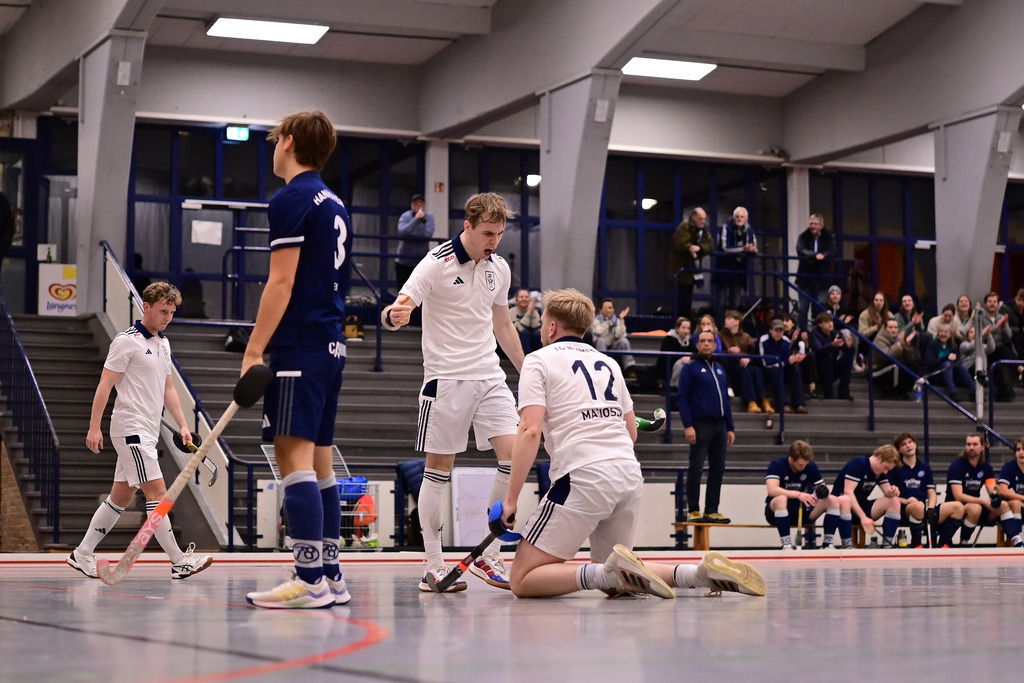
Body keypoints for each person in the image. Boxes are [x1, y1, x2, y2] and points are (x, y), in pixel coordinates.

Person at [502, 289, 765, 599]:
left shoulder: (538, 360)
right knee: (617, 585)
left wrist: (511, 500)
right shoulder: (609, 363)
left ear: (550, 327)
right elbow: (632, 433)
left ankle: (610, 572)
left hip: (582, 475)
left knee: (522, 578)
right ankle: (697, 574)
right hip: (627, 475)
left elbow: (530, 431)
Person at [381, 191, 524, 592]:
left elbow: (503, 325)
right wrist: (397, 315)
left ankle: (490, 556)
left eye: (499, 234)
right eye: (487, 233)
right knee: (439, 468)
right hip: (446, 378)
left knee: (515, 457)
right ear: (467, 226)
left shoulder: (499, 268)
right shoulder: (436, 263)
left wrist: (528, 371)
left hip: (489, 376)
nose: (493, 241)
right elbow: (396, 308)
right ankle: (433, 563)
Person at [242, 111, 354, 609]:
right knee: (322, 463)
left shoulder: (290, 197)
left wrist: (253, 348)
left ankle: (307, 580)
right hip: (332, 344)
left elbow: (281, 282)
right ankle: (330, 575)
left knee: (293, 462)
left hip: (301, 346)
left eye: (274, 141)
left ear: (287, 142)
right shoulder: (334, 201)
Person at [68, 282, 212, 580]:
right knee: (158, 493)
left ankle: (81, 554)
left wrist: (184, 424)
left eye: (172, 312)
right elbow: (105, 385)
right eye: (162, 311)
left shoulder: (163, 343)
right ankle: (178, 561)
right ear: (145, 306)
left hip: (148, 428)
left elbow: (168, 388)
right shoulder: (126, 341)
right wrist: (94, 427)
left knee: (121, 496)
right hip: (130, 427)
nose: (167, 317)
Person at [678, 329, 735, 523]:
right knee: (696, 467)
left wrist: (730, 426)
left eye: (710, 341)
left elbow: (725, 400)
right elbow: (682, 398)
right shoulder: (690, 368)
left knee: (718, 468)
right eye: (703, 341)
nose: (707, 344)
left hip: (719, 425)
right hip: (700, 423)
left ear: (715, 343)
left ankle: (712, 510)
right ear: (697, 344)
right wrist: (688, 425)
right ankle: (693, 510)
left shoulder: (719, 367)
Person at [891, 432, 964, 548]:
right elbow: (890, 496)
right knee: (917, 506)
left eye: (910, 442)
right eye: (904, 444)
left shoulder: (925, 467)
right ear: (899, 450)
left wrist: (931, 508)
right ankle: (916, 544)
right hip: (905, 509)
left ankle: (943, 544)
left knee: (958, 507)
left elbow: (931, 492)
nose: (908, 446)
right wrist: (906, 501)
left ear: (915, 445)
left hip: (925, 508)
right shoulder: (894, 469)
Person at [946, 434, 1019, 546]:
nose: (971, 447)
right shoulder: (957, 465)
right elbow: (958, 496)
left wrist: (996, 497)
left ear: (982, 447)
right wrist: (983, 501)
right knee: (975, 508)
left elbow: (992, 488)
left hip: (977, 506)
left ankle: (1017, 541)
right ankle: (963, 543)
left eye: (975, 444)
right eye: (968, 444)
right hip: (957, 508)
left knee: (1003, 505)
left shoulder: (986, 467)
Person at [825, 445, 902, 549]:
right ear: (879, 458)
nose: (885, 472)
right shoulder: (858, 464)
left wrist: (893, 491)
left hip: (860, 506)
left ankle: (887, 544)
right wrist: (863, 517)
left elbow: (887, 492)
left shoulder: (879, 471)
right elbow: (848, 492)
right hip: (841, 508)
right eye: (886, 468)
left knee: (894, 501)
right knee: (846, 500)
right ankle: (846, 544)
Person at [765, 440, 833, 549]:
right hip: (776, 512)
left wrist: (822, 491)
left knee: (832, 500)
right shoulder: (777, 465)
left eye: (805, 464)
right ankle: (786, 544)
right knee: (781, 499)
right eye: (800, 464)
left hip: (802, 511)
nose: (803, 468)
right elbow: (772, 490)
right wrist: (798, 494)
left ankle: (828, 544)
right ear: (791, 458)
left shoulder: (810, 466)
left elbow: (822, 486)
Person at [719, 309, 769, 413]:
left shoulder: (745, 336)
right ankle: (750, 401)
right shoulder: (721, 335)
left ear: (737, 321)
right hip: (730, 366)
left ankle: (764, 399)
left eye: (729, 318)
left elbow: (753, 353)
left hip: (745, 364)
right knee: (744, 371)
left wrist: (748, 358)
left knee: (756, 370)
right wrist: (728, 351)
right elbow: (718, 352)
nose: (725, 320)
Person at [668, 207, 713, 319]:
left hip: (693, 270)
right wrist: (689, 247)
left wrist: (700, 248)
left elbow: (710, 244)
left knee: (687, 299)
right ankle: (679, 323)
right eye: (701, 219)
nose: (703, 221)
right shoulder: (684, 226)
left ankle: (687, 323)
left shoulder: (704, 229)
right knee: (681, 300)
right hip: (681, 270)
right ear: (693, 217)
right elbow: (680, 243)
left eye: (704, 219)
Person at [795, 213, 837, 328]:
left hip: (822, 279)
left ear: (821, 226)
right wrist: (814, 256)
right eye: (811, 224)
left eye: (815, 224)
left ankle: (818, 332)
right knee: (803, 308)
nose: (812, 226)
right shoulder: (803, 236)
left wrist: (824, 256)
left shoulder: (828, 238)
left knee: (820, 307)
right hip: (805, 278)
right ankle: (802, 331)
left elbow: (832, 252)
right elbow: (800, 250)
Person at [713, 206, 757, 315]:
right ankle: (719, 328)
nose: (739, 219)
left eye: (742, 217)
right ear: (733, 218)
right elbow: (725, 247)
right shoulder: (726, 227)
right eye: (737, 216)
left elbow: (754, 248)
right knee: (721, 302)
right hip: (723, 268)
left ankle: (732, 329)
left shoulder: (749, 230)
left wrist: (751, 249)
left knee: (735, 302)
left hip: (738, 270)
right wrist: (743, 249)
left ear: (746, 219)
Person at [757, 318, 807, 413]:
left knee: (794, 371)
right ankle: (783, 405)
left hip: (781, 367)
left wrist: (795, 359)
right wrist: (788, 362)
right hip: (766, 370)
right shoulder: (763, 340)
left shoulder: (786, 341)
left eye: (781, 331)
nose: (778, 333)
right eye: (776, 330)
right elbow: (766, 363)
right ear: (770, 330)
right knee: (776, 372)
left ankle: (799, 403)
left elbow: (788, 358)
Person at [978, 292, 1016, 402]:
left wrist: (1004, 327)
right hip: (986, 350)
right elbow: (983, 337)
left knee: (998, 367)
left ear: (998, 304)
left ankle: (1002, 395)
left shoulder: (1001, 317)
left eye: (995, 302)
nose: (992, 304)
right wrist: (998, 326)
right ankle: (1020, 369)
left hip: (998, 351)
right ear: (985, 304)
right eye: (990, 301)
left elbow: (1008, 338)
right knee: (1002, 349)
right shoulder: (981, 318)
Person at [923, 322, 975, 400]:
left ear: (950, 334)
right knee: (947, 364)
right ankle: (952, 392)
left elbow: (957, 360)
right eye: (941, 332)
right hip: (935, 374)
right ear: (938, 333)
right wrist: (946, 357)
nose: (943, 334)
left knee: (961, 365)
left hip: (950, 375)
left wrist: (953, 359)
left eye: (946, 332)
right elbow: (931, 363)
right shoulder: (933, 344)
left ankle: (973, 391)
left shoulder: (952, 344)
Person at [394, 193, 435, 292]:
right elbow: (402, 231)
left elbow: (428, 234)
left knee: (420, 291)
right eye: (416, 203)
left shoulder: (429, 217)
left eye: (421, 203)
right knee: (403, 291)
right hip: (404, 261)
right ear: (412, 205)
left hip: (421, 262)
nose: (419, 205)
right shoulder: (405, 216)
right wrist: (416, 219)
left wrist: (411, 234)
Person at [809, 312, 854, 400]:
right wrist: (831, 345)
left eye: (831, 321)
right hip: (819, 369)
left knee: (848, 358)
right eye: (827, 322)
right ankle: (828, 392)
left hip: (832, 367)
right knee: (827, 356)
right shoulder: (814, 334)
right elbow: (818, 351)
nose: (830, 324)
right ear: (820, 324)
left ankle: (843, 391)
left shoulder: (836, 334)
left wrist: (849, 347)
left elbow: (849, 351)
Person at [873, 317, 920, 399]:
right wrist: (898, 344)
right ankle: (892, 392)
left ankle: (905, 391)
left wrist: (907, 345)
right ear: (885, 328)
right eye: (890, 327)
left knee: (914, 365)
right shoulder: (879, 339)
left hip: (892, 367)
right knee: (897, 365)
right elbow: (887, 357)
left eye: (896, 327)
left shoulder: (898, 338)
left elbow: (910, 358)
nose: (894, 330)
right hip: (877, 370)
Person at [590, 298, 637, 377]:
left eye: (610, 308)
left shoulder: (616, 321)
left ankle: (629, 369)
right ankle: (601, 366)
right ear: (600, 310)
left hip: (613, 348)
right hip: (598, 348)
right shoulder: (595, 320)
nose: (608, 310)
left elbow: (621, 335)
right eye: (606, 308)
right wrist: (606, 322)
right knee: (601, 340)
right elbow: (598, 332)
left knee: (624, 341)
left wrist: (621, 320)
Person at [995, 437, 1024, 547]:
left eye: (1023, 449)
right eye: (1018, 450)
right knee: (1016, 503)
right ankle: (1018, 540)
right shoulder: (1009, 467)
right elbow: (1002, 490)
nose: (1021, 452)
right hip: (1013, 505)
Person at [656, 316, 692, 391]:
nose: (686, 331)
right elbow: (666, 358)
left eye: (688, 328)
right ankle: (674, 387)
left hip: (685, 367)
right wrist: (682, 358)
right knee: (680, 364)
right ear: (677, 328)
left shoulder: (689, 341)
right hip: (668, 369)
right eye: (683, 328)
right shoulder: (668, 339)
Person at [510, 288, 542, 353]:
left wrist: (531, 312)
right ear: (516, 300)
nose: (524, 299)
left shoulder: (535, 312)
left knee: (537, 334)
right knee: (525, 333)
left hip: (532, 343)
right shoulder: (511, 312)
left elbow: (537, 328)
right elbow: (519, 329)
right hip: (517, 341)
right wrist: (529, 312)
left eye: (526, 297)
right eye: (521, 297)